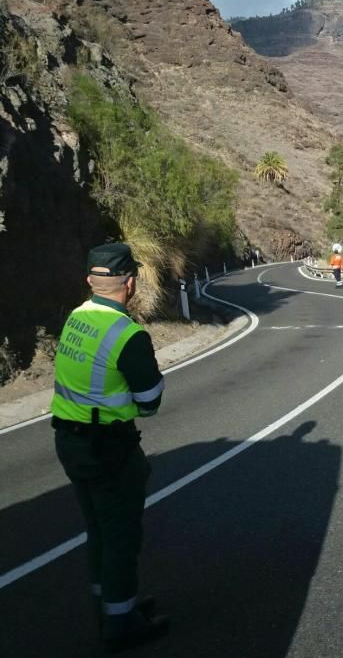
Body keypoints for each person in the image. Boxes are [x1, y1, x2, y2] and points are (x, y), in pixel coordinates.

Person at [51, 242, 168, 652]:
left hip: (69, 442)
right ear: (131, 284)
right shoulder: (127, 335)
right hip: (109, 449)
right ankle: (121, 625)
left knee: (97, 530)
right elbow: (150, 401)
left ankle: (110, 604)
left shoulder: (76, 318)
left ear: (89, 280)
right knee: (121, 537)